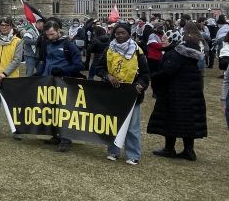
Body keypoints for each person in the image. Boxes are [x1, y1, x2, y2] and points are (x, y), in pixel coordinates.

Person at [147, 22, 207, 161]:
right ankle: (189, 150)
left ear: (172, 39)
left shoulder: (174, 55)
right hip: (191, 92)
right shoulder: (191, 53)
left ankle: (169, 148)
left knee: (171, 120)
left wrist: (154, 77)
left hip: (175, 92)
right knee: (188, 121)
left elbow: (167, 73)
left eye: (165, 39)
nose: (162, 41)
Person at [93, 23, 150, 165]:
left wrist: (141, 85)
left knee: (132, 128)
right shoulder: (109, 49)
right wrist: (108, 76)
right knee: (113, 124)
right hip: (113, 93)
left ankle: (133, 154)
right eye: (117, 33)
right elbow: (99, 68)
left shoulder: (138, 51)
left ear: (129, 34)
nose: (119, 35)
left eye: (122, 33)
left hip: (131, 94)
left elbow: (145, 74)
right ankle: (113, 151)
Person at [37, 20, 85, 152]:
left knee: (64, 112)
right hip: (49, 81)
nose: (50, 37)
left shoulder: (69, 45)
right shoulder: (47, 44)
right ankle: (55, 136)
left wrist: (63, 70)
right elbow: (45, 61)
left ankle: (65, 139)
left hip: (64, 83)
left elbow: (79, 65)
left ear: (59, 31)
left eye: (52, 34)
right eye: (47, 35)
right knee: (51, 110)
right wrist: (39, 73)